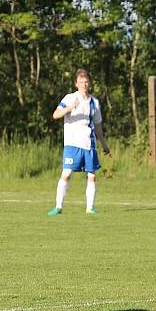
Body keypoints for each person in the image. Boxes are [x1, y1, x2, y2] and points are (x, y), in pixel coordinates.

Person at [47, 69, 109, 216]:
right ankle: (58, 207)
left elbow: (98, 126)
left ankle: (90, 208)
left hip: (89, 144)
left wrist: (104, 144)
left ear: (90, 83)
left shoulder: (95, 102)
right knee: (66, 173)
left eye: (86, 81)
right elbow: (55, 115)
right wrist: (69, 108)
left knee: (92, 175)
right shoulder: (69, 98)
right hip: (72, 144)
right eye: (81, 82)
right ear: (76, 83)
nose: (84, 84)